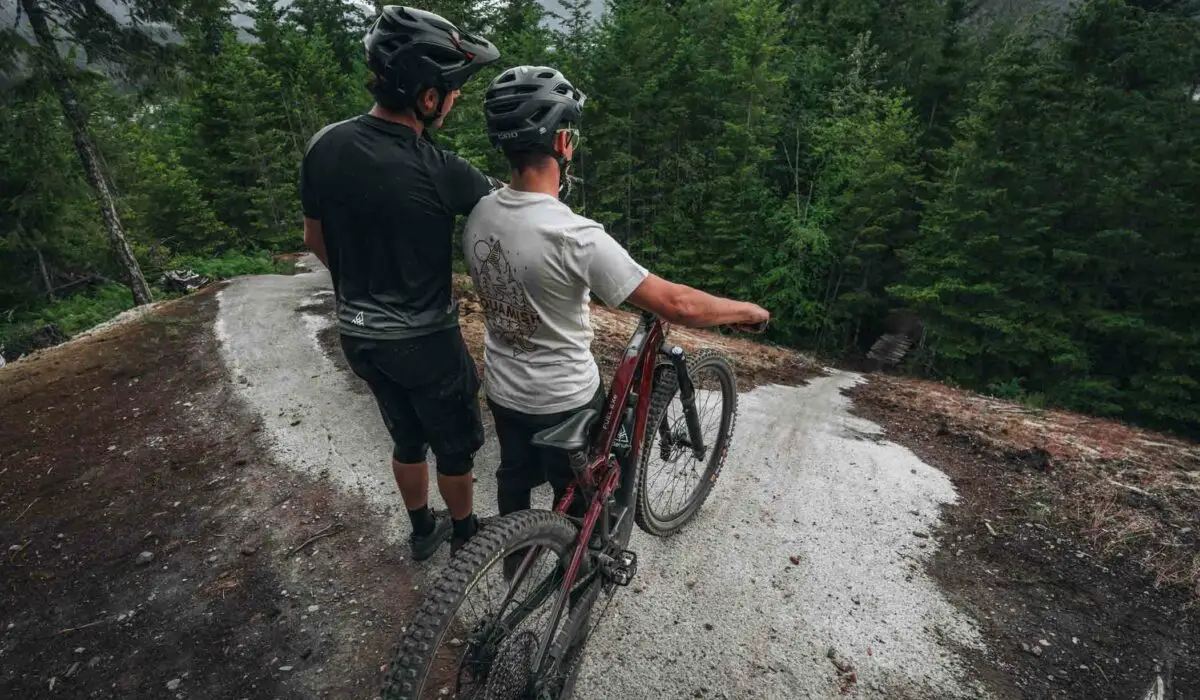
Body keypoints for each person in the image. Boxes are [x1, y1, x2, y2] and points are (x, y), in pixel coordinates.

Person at [463, 66, 770, 527]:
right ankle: (578, 572)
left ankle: (512, 554)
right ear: (563, 142)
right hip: (562, 398)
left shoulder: (480, 212)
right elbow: (677, 304)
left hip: (505, 389)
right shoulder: (574, 235)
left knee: (514, 475)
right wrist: (746, 311)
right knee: (586, 502)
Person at [299, 6, 501, 561]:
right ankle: (464, 535)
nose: (454, 100)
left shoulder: (324, 144)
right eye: (451, 90)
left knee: (405, 436)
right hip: (427, 342)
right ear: (426, 97)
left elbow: (315, 238)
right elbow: (510, 218)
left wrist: (361, 284)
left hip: (358, 334)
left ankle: (421, 531)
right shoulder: (442, 168)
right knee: (456, 448)